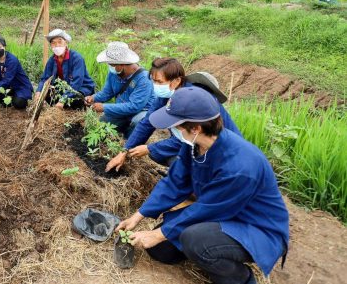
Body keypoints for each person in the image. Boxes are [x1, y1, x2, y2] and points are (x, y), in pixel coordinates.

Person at [115, 87, 289, 284]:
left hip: (255, 227)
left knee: (194, 240)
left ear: (196, 128)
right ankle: (210, 252)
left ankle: (243, 279)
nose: (174, 131)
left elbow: (207, 209)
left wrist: (159, 233)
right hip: (221, 212)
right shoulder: (194, 145)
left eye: (178, 126)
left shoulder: (241, 166)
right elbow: (175, 182)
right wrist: (138, 215)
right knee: (160, 251)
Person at [106, 58, 241, 172]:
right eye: (153, 81)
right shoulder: (166, 94)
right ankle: (183, 175)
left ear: (176, 81)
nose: (155, 86)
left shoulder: (193, 99)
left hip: (220, 150)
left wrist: (149, 148)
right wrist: (124, 151)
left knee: (168, 158)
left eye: (159, 82)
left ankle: (191, 179)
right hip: (194, 143)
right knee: (158, 155)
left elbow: (187, 137)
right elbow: (147, 122)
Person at [84, 42, 154, 138]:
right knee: (102, 124)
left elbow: (134, 106)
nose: (110, 67)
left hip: (141, 111)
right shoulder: (114, 73)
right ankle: (123, 129)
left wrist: (104, 107)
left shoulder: (144, 79)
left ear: (122, 64)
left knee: (138, 121)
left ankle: (131, 143)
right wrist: (93, 98)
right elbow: (107, 92)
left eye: (111, 64)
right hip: (122, 109)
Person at [35, 29, 95, 110]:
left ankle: (67, 105)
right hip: (64, 89)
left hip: (81, 88)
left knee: (77, 100)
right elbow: (45, 78)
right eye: (53, 43)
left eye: (60, 42)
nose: (57, 45)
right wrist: (39, 92)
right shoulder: (52, 60)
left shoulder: (76, 58)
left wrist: (63, 100)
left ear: (66, 43)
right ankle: (62, 105)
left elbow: (77, 83)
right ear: (51, 46)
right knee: (46, 94)